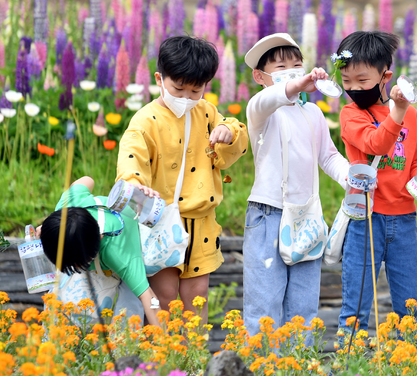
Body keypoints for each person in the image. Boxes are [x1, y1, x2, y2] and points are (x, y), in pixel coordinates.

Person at [116, 36, 249, 322]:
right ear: (159, 79)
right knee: (164, 294)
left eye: (195, 90)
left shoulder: (208, 112)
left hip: (200, 221)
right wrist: (134, 182)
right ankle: (165, 358)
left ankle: (194, 358)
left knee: (197, 294)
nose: (187, 97)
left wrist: (229, 132)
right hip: (160, 221)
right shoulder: (146, 120)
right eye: (178, 88)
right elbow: (131, 155)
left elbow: (236, 140)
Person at [242, 33, 349, 336]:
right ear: (260, 76)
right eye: (281, 66)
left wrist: (352, 178)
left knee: (303, 307)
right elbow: (268, 100)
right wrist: (295, 87)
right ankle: (264, 366)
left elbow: (328, 157)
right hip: (267, 215)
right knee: (264, 305)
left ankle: (298, 365)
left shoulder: (313, 113)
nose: (292, 71)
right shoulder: (261, 110)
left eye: (297, 65)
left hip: (307, 217)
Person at [335, 31, 417, 333]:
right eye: (346, 81)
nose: (353, 88)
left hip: (404, 220)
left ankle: (408, 363)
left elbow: (414, 161)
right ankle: (350, 365)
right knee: (356, 307)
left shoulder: (410, 115)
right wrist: (397, 112)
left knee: (410, 306)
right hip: (366, 217)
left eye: (362, 81)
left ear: (385, 76)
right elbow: (376, 144)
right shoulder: (350, 114)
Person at [40, 176, 161, 326]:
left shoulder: (118, 253)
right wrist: (47, 231)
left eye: (77, 264)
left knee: (126, 319)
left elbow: (149, 297)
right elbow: (88, 179)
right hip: (80, 244)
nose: (75, 269)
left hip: (125, 258)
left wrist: (165, 341)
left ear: (100, 239)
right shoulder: (67, 207)